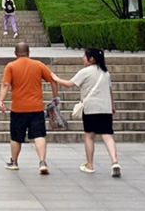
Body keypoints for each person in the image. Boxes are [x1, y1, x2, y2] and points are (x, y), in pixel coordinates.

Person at [51, 47, 121, 177]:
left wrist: (55, 78)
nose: (82, 58)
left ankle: (90, 165)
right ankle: (114, 161)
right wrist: (112, 105)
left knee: (89, 136)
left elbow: (69, 84)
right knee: (107, 135)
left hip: (90, 109)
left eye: (84, 56)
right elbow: (110, 91)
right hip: (105, 108)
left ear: (91, 59)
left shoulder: (85, 72)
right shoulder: (105, 73)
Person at [0, 42, 59, 175]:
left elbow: (5, 84)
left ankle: (14, 162)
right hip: (36, 108)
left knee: (16, 137)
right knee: (39, 135)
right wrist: (55, 98)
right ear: (29, 52)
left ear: (15, 53)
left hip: (18, 108)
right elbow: (53, 80)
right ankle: (42, 162)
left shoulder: (11, 66)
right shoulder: (38, 65)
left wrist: (1, 100)